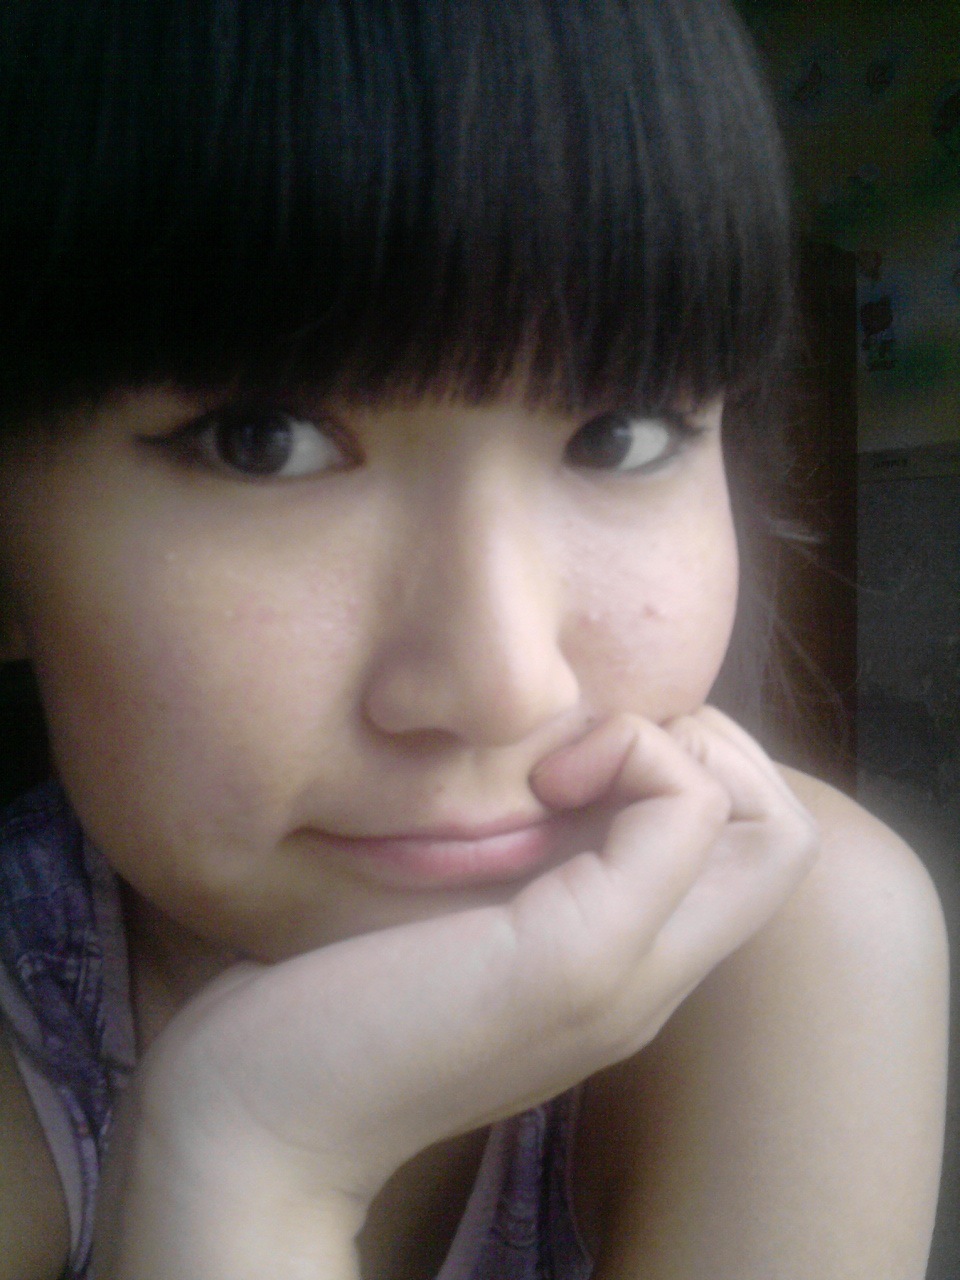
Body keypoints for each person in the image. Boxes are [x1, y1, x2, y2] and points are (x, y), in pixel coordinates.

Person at [0, 2, 948, 1277]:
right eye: (262, 442)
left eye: (619, 434)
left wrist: (255, 1156)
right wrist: (254, 1162)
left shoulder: (788, 942)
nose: (505, 685)